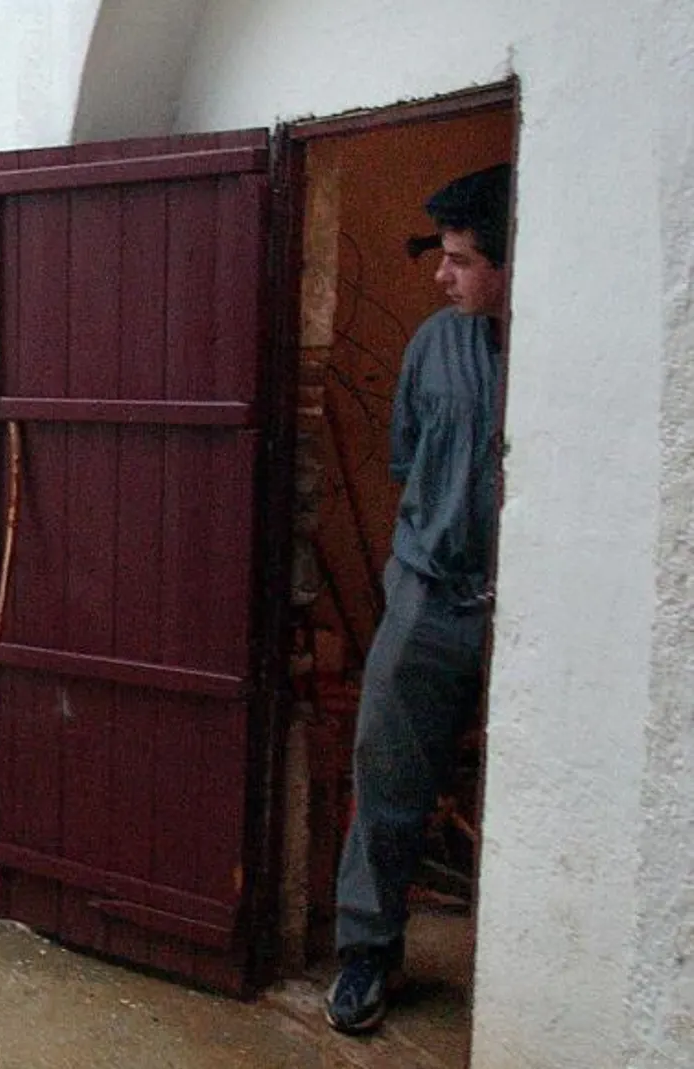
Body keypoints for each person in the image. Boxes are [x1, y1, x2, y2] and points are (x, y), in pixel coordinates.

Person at [326, 163, 512, 1034]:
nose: (444, 275)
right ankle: (367, 951)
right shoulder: (433, 344)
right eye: (444, 257)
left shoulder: (558, 352)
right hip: (429, 592)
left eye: (463, 260)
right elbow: (408, 462)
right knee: (388, 769)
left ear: (512, 265)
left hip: (525, 612)